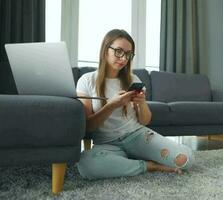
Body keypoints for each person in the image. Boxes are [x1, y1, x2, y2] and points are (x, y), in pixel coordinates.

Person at [76, 29, 194, 179]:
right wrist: (111, 105)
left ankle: (126, 162)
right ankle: (147, 165)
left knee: (185, 159)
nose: (124, 58)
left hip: (138, 136)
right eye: (119, 51)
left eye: (128, 54)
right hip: (107, 143)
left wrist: (142, 103)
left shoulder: (134, 80)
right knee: (87, 166)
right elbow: (88, 126)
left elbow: (145, 121)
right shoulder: (86, 81)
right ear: (106, 50)